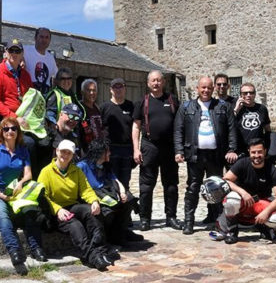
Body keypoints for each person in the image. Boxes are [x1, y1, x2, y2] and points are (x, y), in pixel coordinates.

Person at [0, 117, 45, 276]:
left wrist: (21, 183)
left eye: (13, 129)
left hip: (16, 189)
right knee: (3, 214)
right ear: (1, 132)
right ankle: (14, 251)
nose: (10, 131)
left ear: (18, 131)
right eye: (6, 129)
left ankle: (36, 247)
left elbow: (28, 174)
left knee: (30, 210)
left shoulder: (23, 150)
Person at [38, 139, 113, 270]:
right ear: (57, 151)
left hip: (72, 205)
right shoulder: (46, 172)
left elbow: (85, 189)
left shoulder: (76, 170)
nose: (65, 155)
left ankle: (100, 250)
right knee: (75, 225)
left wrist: (94, 201)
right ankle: (94, 257)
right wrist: (57, 210)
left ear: (73, 155)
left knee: (91, 212)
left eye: (69, 153)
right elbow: (43, 196)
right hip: (55, 211)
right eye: (63, 151)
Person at [174, 76, 232, 234]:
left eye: (208, 88)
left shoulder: (222, 106)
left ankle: (218, 221)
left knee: (217, 189)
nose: (206, 90)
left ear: (213, 89)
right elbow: (178, 130)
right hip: (195, 155)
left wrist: (231, 149)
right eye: (203, 88)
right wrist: (179, 151)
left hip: (215, 155)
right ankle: (189, 222)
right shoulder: (186, 107)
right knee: (193, 188)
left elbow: (231, 129)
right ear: (197, 89)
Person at [132, 70, 181, 231]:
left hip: (169, 148)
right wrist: (136, 149)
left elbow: (180, 124)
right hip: (149, 146)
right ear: (148, 83)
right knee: (146, 186)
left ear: (163, 82)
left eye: (159, 80)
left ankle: (171, 217)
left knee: (171, 185)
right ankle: (145, 218)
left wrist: (179, 149)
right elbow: (136, 126)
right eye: (153, 81)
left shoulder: (172, 100)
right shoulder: (142, 102)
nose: (156, 83)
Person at [217, 138, 276, 244]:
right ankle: (232, 231)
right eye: (253, 152)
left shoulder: (271, 169)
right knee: (231, 199)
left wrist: (266, 212)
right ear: (249, 151)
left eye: (259, 152)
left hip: (260, 204)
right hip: (242, 203)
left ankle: (264, 228)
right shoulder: (242, 163)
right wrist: (243, 192)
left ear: (265, 151)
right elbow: (225, 180)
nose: (256, 155)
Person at [77, 139, 143, 245]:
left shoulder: (105, 165)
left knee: (128, 200)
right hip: (93, 194)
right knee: (108, 210)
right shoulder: (82, 166)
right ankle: (109, 236)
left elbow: (115, 179)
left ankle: (121, 232)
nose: (109, 154)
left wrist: (122, 192)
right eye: (107, 152)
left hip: (106, 191)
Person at [0, 38, 33, 128]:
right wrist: (14, 117)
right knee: (28, 142)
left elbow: (31, 98)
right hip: (1, 117)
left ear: (22, 54)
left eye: (17, 51)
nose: (14, 54)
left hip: (22, 117)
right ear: (6, 52)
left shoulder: (26, 75)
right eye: (11, 50)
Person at [99, 78, 135, 190]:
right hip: (111, 150)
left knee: (125, 182)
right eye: (115, 87)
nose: (118, 89)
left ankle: (124, 206)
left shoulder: (131, 106)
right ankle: (113, 206)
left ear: (125, 89)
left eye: (121, 87)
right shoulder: (104, 107)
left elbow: (136, 127)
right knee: (111, 182)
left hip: (127, 149)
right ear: (110, 90)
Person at [228, 82, 271, 161]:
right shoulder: (234, 108)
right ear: (240, 95)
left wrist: (267, 149)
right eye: (245, 93)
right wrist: (236, 110)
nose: (248, 95)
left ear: (254, 94)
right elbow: (228, 126)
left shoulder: (262, 108)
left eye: (251, 93)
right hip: (241, 152)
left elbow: (268, 130)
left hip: (257, 151)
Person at [23, 27, 57, 96]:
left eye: (47, 37)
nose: (44, 40)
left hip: (44, 97)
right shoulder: (25, 50)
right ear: (35, 38)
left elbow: (57, 76)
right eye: (41, 37)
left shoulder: (51, 58)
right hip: (27, 95)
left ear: (50, 40)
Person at [79, 78, 107, 154]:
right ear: (82, 92)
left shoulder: (97, 108)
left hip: (98, 149)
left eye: (94, 90)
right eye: (88, 90)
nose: (92, 93)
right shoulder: (79, 108)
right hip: (85, 150)